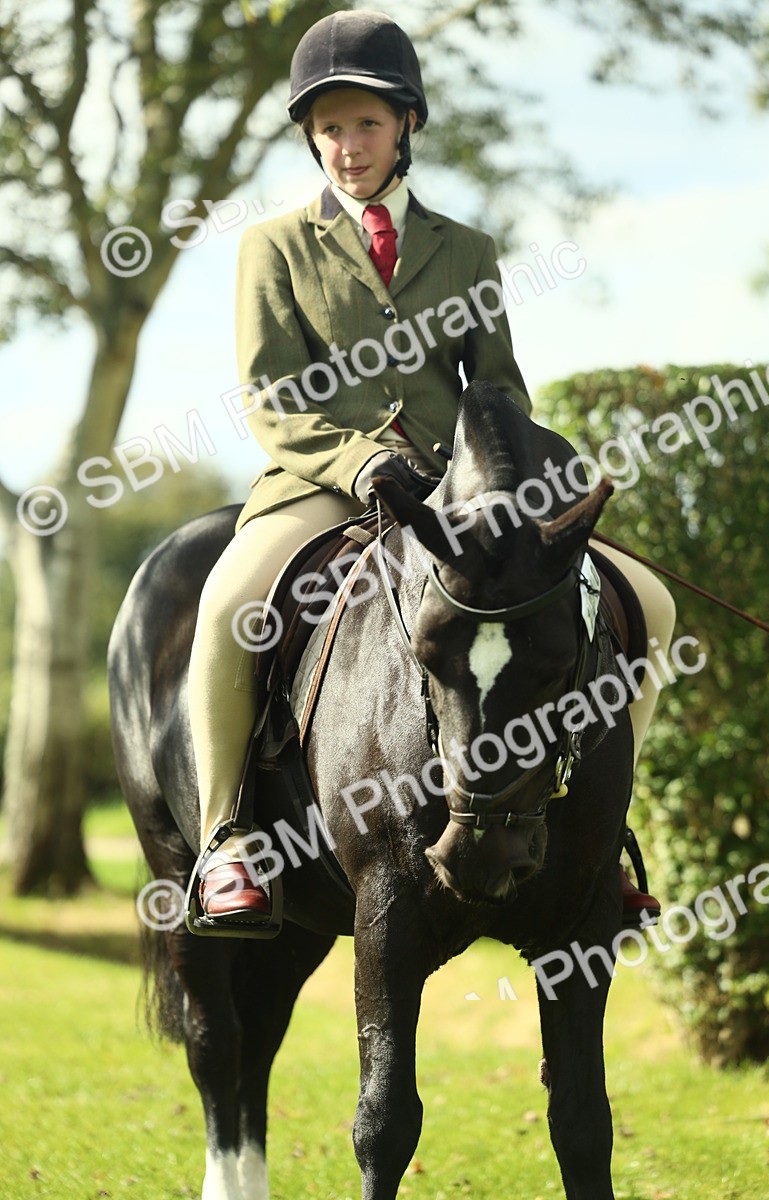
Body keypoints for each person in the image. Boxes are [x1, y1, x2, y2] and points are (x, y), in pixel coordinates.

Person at [187, 10, 674, 934]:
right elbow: (271, 399)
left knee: (647, 603)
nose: (345, 145)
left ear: (406, 123)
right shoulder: (274, 246)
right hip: (320, 486)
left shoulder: (467, 249)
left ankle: (600, 834)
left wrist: (512, 477)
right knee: (225, 611)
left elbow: (497, 392)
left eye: (365, 123)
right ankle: (227, 841)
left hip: (455, 497)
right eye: (328, 127)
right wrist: (363, 460)